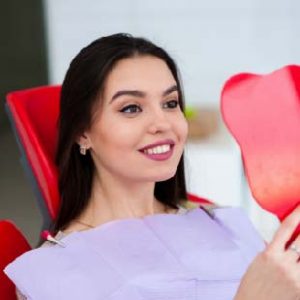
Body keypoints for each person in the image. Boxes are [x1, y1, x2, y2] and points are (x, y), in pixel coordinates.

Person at [4, 33, 300, 300]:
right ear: (83, 132)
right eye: (131, 108)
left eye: (170, 103)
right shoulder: (51, 274)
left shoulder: (218, 221)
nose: (163, 124)